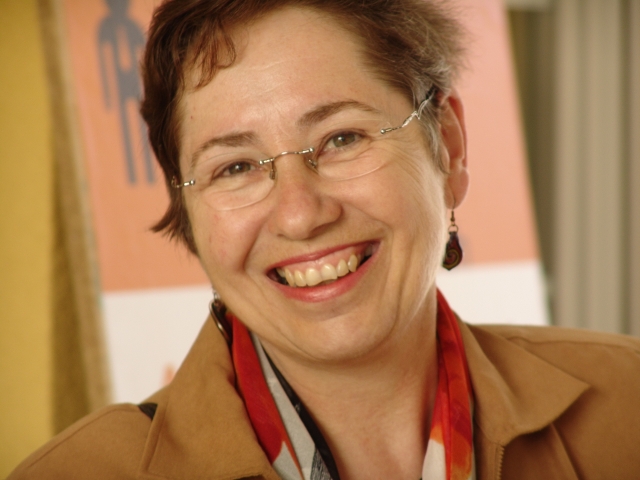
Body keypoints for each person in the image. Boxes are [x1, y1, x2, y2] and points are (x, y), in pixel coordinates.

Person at [9, 0, 640, 479]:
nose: (300, 214)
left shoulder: (628, 406)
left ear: (447, 147)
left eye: (342, 138)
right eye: (236, 167)